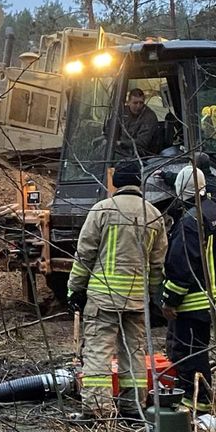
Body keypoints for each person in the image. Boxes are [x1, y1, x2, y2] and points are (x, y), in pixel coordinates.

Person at [67, 159, 167, 416]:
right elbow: (157, 264)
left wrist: (74, 290)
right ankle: (133, 405)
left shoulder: (101, 210)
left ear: (116, 182)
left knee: (99, 353)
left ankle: (99, 409)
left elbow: (84, 254)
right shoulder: (153, 215)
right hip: (136, 299)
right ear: (139, 182)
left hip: (103, 299)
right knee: (134, 352)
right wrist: (154, 296)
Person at [161, 165, 216, 403]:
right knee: (200, 350)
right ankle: (202, 403)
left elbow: (182, 266)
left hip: (196, 302)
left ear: (180, 189)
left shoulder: (190, 221)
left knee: (186, 354)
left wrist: (169, 300)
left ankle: (194, 405)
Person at [120, 86, 164, 158]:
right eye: (135, 103)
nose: (138, 106)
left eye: (141, 103)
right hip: (123, 151)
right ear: (128, 102)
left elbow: (142, 142)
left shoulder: (149, 117)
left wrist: (121, 143)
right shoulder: (122, 113)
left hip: (145, 156)